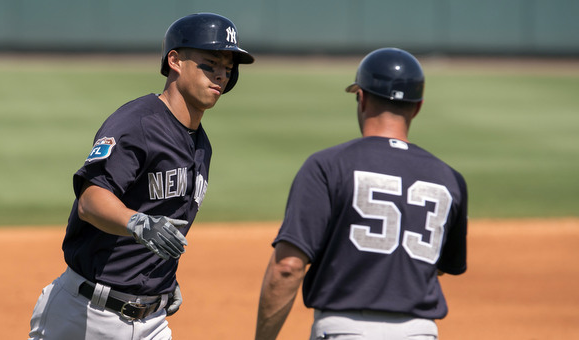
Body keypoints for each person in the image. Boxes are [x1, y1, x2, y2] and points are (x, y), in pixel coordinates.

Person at [29, 12, 254, 340]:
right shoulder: (139, 123)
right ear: (175, 61)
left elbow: (165, 219)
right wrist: (138, 223)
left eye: (227, 69)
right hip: (86, 315)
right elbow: (90, 201)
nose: (220, 76)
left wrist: (159, 279)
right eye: (209, 64)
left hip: (153, 322)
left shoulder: (200, 144)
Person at [255, 48, 467, 340]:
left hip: (345, 330)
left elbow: (288, 267)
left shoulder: (327, 166)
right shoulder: (450, 179)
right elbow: (439, 266)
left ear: (362, 98)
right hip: (420, 333)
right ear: (417, 107)